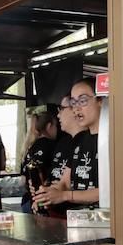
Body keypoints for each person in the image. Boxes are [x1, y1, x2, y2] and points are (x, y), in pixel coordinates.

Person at [33, 78, 101, 215]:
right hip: (78, 219)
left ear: (101, 101)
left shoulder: (114, 139)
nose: (76, 108)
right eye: (73, 102)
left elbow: (111, 191)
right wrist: (46, 196)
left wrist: (65, 195)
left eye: (83, 101)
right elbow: (64, 182)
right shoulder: (80, 139)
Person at [19, 105, 59, 213]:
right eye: (56, 125)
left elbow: (22, 180)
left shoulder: (29, 147)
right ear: (50, 126)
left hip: (28, 200)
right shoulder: (54, 145)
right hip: (43, 202)